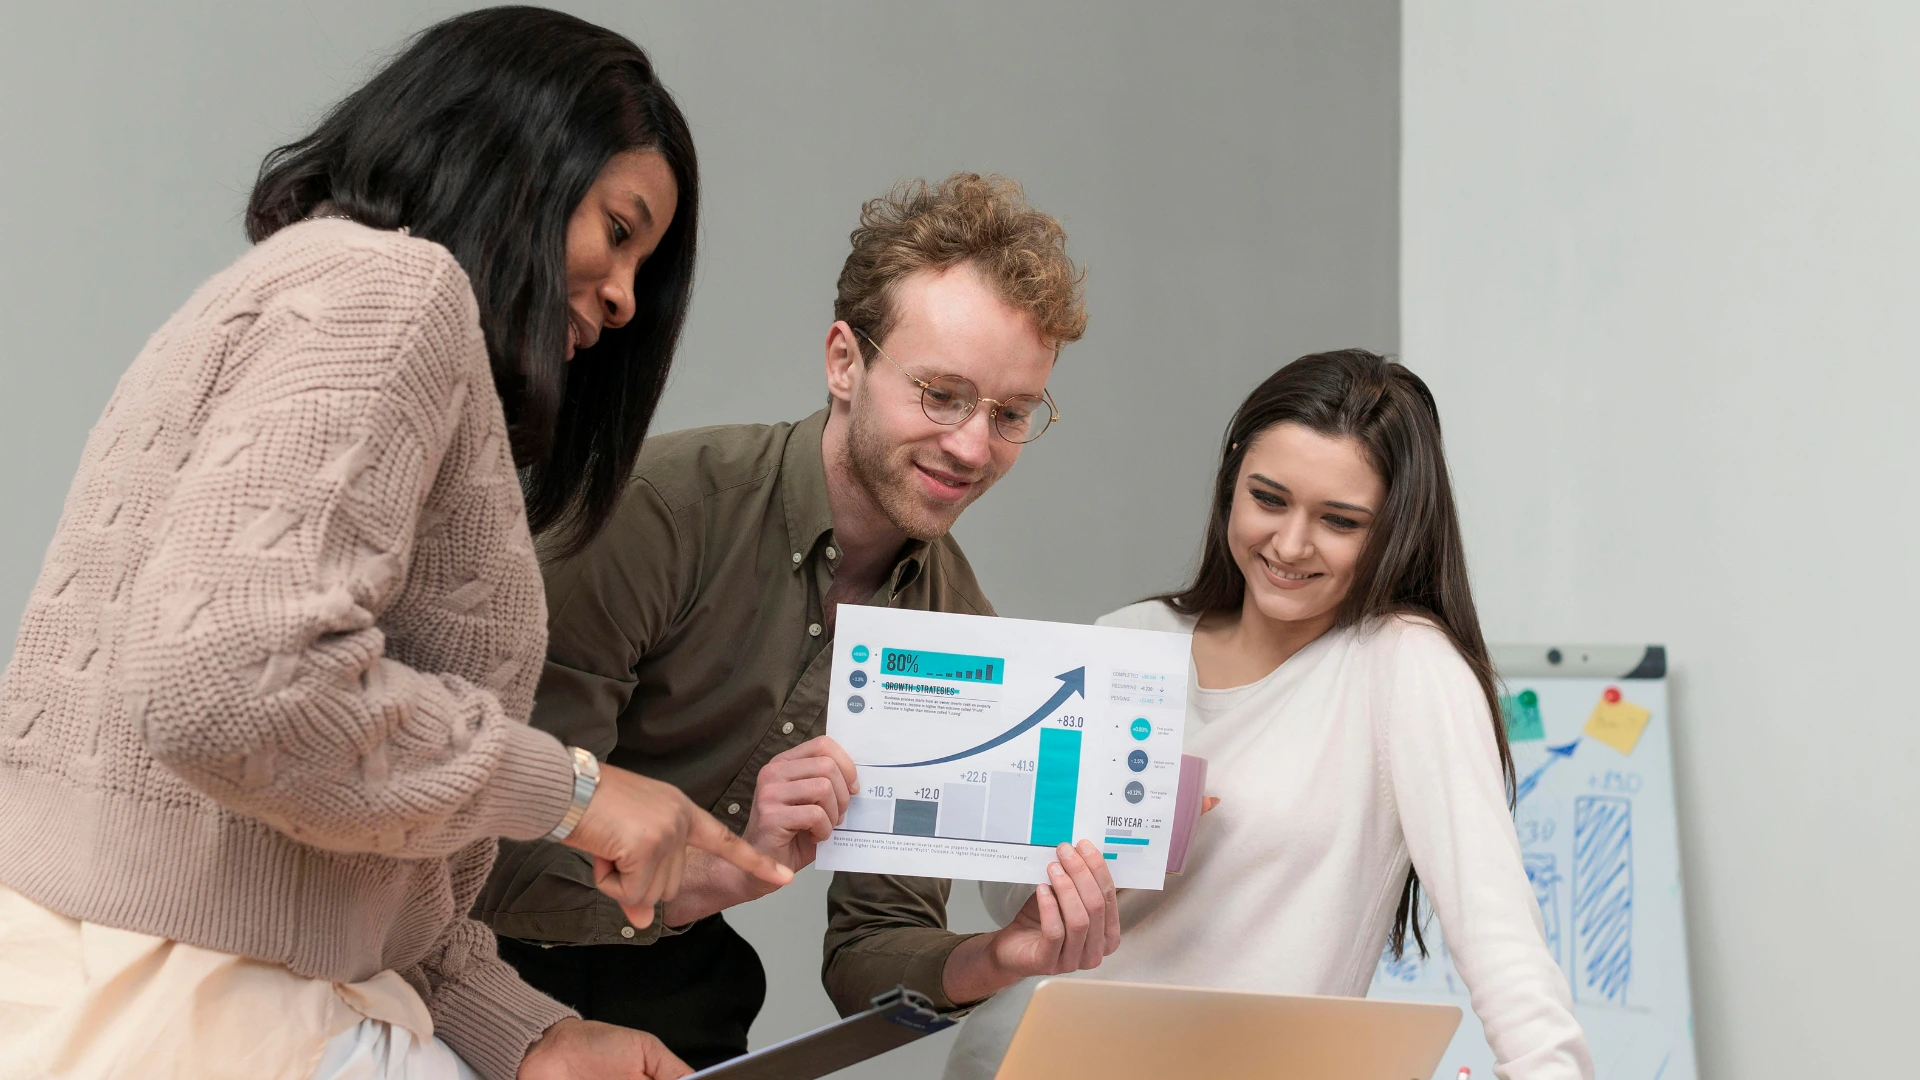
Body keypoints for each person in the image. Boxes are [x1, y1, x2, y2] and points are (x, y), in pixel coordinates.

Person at [0, 9, 791, 1080]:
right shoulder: (396, 292)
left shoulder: (280, 291)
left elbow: (327, 837)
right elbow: (231, 681)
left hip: (90, 988)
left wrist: (533, 1034)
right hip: (213, 1015)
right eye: (617, 229)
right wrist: (574, 791)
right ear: (513, 162)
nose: (622, 297)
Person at [475, 173, 1121, 1068]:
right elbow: (489, 840)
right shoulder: (653, 516)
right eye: (940, 393)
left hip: (681, 987)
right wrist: (722, 869)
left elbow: (872, 948)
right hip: (476, 974)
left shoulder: (959, 626)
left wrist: (999, 957)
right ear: (844, 362)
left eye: (1010, 414)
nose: (973, 445)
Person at [939, 350, 1595, 1080]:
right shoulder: (1130, 637)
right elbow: (1008, 905)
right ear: (1231, 481)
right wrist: (1112, 852)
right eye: (1269, 499)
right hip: (1017, 1059)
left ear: (1395, 530)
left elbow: (1502, 940)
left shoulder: (1404, 668)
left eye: (1339, 521)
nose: (1289, 545)